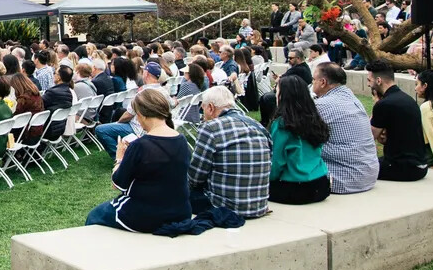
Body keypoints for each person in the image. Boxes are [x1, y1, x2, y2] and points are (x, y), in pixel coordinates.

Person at [86, 88, 191, 232]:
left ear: (141, 115)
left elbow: (117, 184)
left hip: (144, 215)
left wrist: (120, 158)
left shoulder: (140, 145)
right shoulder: (182, 140)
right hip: (180, 211)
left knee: (94, 215)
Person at [188, 85, 271, 218]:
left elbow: (195, 177)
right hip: (259, 205)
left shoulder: (210, 128)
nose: (202, 115)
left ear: (210, 107)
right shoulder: (258, 126)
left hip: (223, 207)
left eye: (202, 109)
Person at [311, 63, 379, 194]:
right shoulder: (354, 100)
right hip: (369, 175)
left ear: (323, 82)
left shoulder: (321, 105)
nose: (312, 83)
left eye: (314, 79)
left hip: (343, 179)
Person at [267, 75, 330, 204]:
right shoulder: (315, 119)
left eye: (277, 92)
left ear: (282, 96)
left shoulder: (282, 125)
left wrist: (266, 180)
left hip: (295, 188)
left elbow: (277, 162)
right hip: (321, 184)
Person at [367, 60, 429, 182]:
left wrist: (375, 107)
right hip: (420, 165)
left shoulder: (384, 104)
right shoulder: (408, 99)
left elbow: (368, 137)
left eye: (369, 80)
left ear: (378, 80)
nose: (368, 85)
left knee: (354, 167)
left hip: (402, 168)